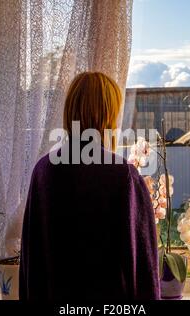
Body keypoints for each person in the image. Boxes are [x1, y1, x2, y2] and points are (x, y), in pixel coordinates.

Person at [19, 72, 159, 301]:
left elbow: (30, 261)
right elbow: (144, 266)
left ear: (70, 111)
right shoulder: (123, 176)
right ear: (109, 115)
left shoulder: (43, 171)